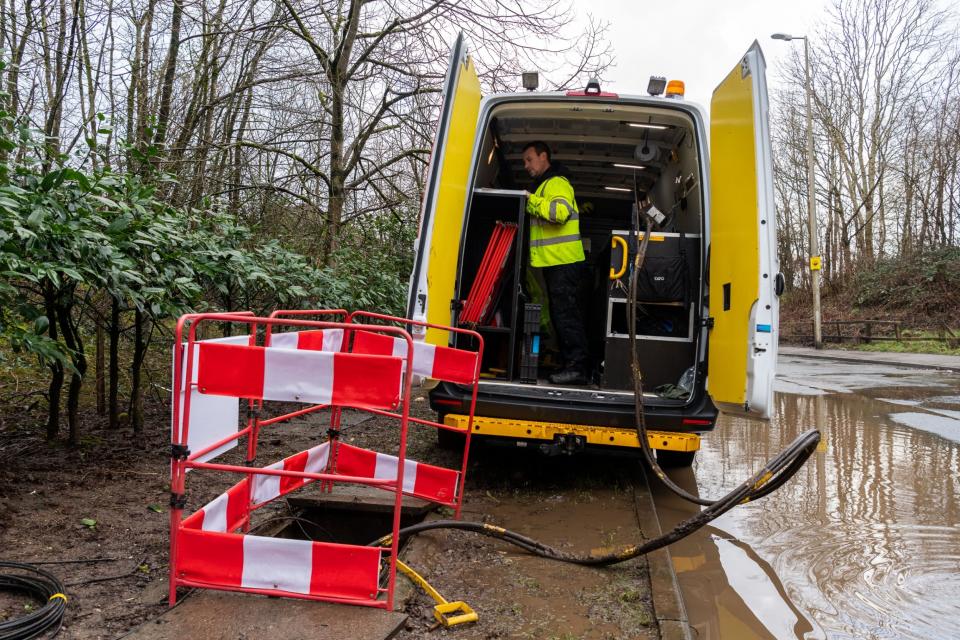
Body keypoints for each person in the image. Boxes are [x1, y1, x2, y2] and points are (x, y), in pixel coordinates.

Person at [521, 141, 589, 385]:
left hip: (564, 262)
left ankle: (577, 369)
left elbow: (559, 213)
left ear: (543, 156)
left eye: (529, 159)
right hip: (557, 263)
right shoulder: (545, 185)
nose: (526, 165)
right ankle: (570, 365)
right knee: (563, 316)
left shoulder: (556, 183)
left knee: (566, 316)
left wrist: (529, 200)